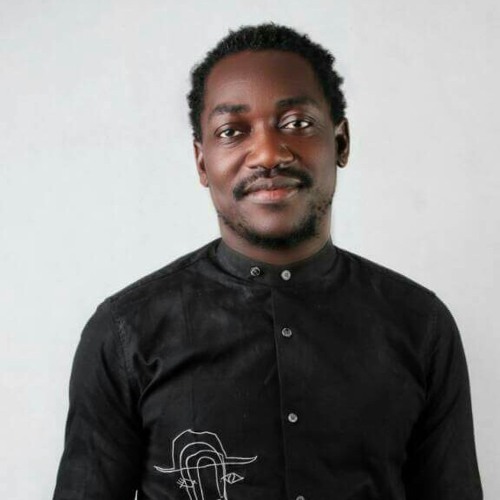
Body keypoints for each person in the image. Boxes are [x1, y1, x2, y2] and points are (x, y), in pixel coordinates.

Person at [52, 22, 483, 500]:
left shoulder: (420, 326)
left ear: (340, 142)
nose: (268, 154)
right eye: (232, 131)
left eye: (296, 123)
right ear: (202, 162)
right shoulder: (124, 333)